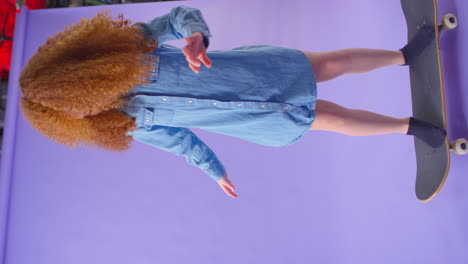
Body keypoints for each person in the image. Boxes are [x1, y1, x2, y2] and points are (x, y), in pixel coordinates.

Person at [19, 6, 446, 199]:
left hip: (253, 70)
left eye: (74, 102)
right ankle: (410, 127)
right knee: (330, 118)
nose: (83, 113)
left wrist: (195, 36)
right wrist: (215, 172)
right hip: (251, 120)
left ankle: (406, 55)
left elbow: (175, 16)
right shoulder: (126, 120)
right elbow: (181, 142)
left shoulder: (128, 50)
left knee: (328, 64)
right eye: (72, 116)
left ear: (75, 78)